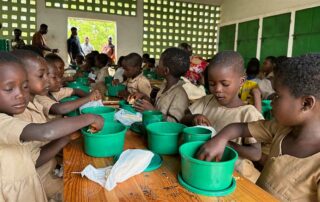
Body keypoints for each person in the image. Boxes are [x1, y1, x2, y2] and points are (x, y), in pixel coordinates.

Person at [197, 54, 320, 201]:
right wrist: (221, 139)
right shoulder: (281, 129)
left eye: (277, 96)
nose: (271, 100)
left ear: (306, 103)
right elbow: (238, 128)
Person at [0, 52, 103, 201]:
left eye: (25, 86)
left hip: (32, 187)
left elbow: (33, 158)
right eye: (9, 88)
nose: (21, 95)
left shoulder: (23, 110)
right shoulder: (5, 122)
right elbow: (46, 132)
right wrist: (90, 117)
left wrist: (67, 137)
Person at [181, 51, 264, 183]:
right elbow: (183, 118)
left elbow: (256, 154)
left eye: (225, 84)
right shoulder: (206, 101)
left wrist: (225, 142)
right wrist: (194, 117)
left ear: (241, 81)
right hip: (207, 168)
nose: (217, 89)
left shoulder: (248, 113)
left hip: (236, 175)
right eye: (212, 84)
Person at [130, 47, 190, 122]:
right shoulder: (164, 85)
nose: (157, 66)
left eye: (159, 63)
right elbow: (157, 106)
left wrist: (153, 112)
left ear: (166, 71)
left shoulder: (179, 95)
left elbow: (175, 123)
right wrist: (144, 96)